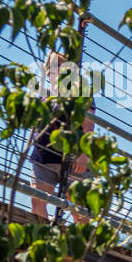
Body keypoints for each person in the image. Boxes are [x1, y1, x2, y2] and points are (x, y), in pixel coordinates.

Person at [29, 51, 95, 221]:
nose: (52, 72)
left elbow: (88, 125)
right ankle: (42, 239)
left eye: (57, 67)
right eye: (50, 68)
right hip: (43, 155)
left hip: (73, 157)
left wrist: (83, 155)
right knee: (37, 200)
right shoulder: (43, 93)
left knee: (78, 208)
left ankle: (83, 245)